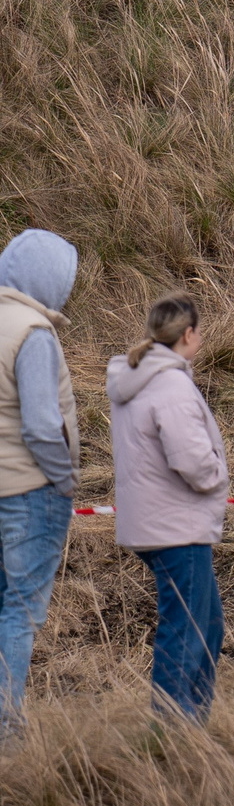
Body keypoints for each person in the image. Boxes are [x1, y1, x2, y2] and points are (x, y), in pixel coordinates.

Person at [105, 294, 229, 722]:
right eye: (199, 330)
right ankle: (173, 728)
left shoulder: (138, 377)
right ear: (188, 334)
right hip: (178, 524)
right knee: (188, 629)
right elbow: (191, 460)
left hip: (155, 522)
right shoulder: (171, 384)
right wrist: (218, 476)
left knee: (206, 624)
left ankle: (190, 722)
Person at [0, 229, 80, 728]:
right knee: (20, 613)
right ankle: (6, 730)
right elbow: (42, 426)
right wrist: (64, 479)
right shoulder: (33, 333)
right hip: (28, 493)